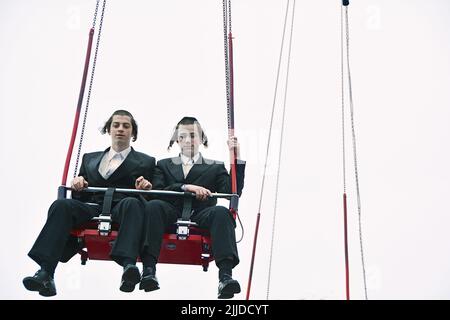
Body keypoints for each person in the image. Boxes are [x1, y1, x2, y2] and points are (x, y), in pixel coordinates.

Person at [23, 110, 154, 297]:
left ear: (133, 133)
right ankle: (46, 272)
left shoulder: (146, 162)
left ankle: (129, 266)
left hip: (122, 206)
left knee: (133, 204)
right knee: (61, 206)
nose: (120, 129)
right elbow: (80, 191)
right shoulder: (89, 158)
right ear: (109, 129)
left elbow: (153, 192)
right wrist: (78, 183)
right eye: (116, 125)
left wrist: (146, 187)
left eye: (126, 126)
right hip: (93, 206)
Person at [140, 116, 245, 299]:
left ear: (201, 138)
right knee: (154, 205)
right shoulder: (163, 165)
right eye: (182, 136)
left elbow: (231, 191)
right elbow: (157, 190)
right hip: (170, 211)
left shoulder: (215, 167)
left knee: (221, 212)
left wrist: (236, 157)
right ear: (177, 140)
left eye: (193, 135)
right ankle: (148, 270)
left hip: (201, 213)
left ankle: (225, 277)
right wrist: (185, 187)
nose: (188, 140)